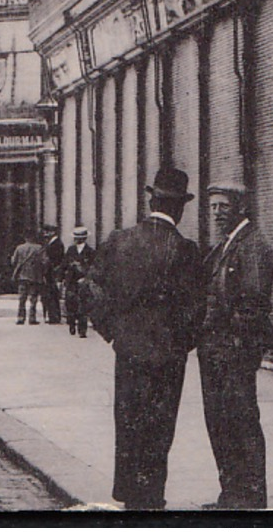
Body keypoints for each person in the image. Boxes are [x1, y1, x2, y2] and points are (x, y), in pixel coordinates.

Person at [87, 167, 206, 510]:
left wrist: (112, 332)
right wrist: (181, 342)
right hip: (168, 357)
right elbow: (197, 307)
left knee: (128, 422)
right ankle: (152, 496)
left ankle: (129, 496)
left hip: (128, 351)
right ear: (179, 208)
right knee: (159, 426)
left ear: (151, 199)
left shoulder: (119, 241)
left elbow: (90, 291)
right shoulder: (184, 250)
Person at [198, 178, 273, 510]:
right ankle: (230, 495)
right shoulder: (226, 244)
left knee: (240, 422)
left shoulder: (254, 246)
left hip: (234, 352)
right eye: (214, 206)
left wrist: (228, 336)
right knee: (221, 423)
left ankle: (249, 498)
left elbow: (254, 305)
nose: (217, 213)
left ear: (241, 208)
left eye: (224, 206)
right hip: (216, 351)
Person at [62, 226, 95, 338]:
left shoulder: (90, 251)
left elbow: (93, 267)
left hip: (83, 281)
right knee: (70, 304)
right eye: (76, 237)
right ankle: (71, 323)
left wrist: (86, 277)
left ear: (84, 238)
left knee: (83, 305)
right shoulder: (71, 250)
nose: (77, 239)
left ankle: (82, 329)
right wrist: (62, 278)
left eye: (79, 237)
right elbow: (64, 264)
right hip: (71, 281)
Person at [10, 229, 48, 325]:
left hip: (22, 276)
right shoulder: (39, 248)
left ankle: (20, 318)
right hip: (35, 276)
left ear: (25, 238)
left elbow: (13, 261)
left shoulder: (19, 248)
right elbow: (45, 262)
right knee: (33, 298)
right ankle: (32, 318)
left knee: (22, 298)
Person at [41, 224, 66, 326]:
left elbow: (56, 259)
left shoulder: (57, 244)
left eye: (46, 232)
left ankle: (54, 317)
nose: (45, 234)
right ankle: (53, 316)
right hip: (50, 272)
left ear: (52, 232)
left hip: (52, 273)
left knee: (52, 294)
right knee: (50, 294)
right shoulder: (52, 243)